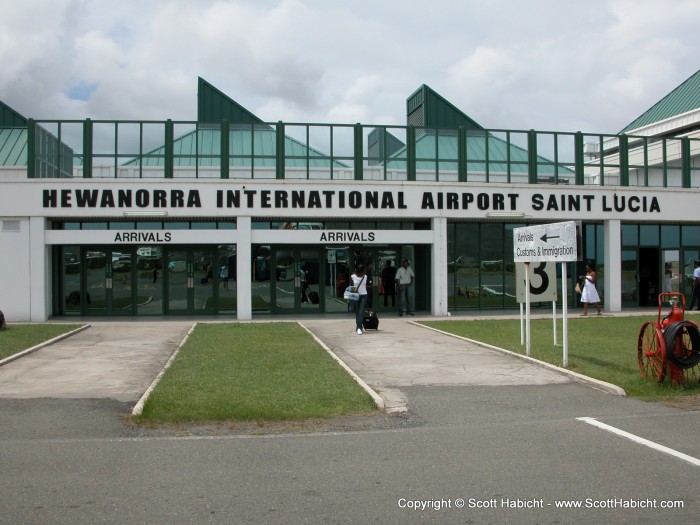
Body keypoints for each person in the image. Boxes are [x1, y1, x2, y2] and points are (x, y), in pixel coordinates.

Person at [350, 264, 368, 335]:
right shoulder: (353, 277)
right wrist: (355, 291)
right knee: (357, 312)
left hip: (364, 295)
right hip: (356, 296)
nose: (364, 272)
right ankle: (359, 326)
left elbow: (365, 285)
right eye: (363, 270)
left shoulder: (365, 276)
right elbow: (351, 286)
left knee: (361, 312)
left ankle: (359, 328)